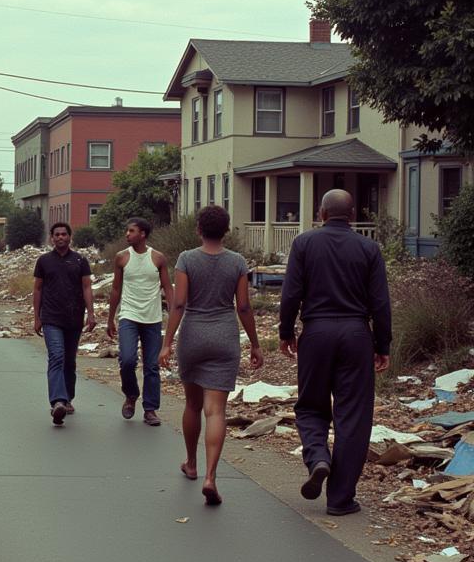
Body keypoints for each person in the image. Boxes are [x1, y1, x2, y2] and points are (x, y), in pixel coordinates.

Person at [278, 189, 391, 516]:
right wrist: (382, 345)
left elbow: (291, 294)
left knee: (311, 404)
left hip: (316, 333)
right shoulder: (369, 248)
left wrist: (286, 332)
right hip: (357, 334)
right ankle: (340, 499)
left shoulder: (304, 244)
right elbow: (381, 303)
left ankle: (317, 458)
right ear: (352, 215)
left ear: (321, 214)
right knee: (353, 416)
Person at [159, 206, 262, 506]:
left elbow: (179, 305)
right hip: (224, 337)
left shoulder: (187, 259)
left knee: (192, 405)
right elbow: (243, 306)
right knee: (215, 411)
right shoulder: (237, 262)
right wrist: (255, 343)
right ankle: (211, 477)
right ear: (226, 230)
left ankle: (191, 463)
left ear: (198, 230)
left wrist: (166, 343)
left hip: (193, 336)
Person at [106, 217, 174, 425]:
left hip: (152, 318)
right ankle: (131, 394)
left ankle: (150, 409)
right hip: (128, 315)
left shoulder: (158, 258)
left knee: (152, 366)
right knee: (127, 360)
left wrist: (173, 315)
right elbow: (116, 289)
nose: (127, 234)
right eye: (127, 231)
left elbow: (167, 288)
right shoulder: (122, 258)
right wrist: (110, 319)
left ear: (142, 234)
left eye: (131, 231)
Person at [33, 221, 96, 425]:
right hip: (51, 318)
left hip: (74, 318)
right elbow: (38, 289)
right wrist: (37, 317)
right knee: (57, 357)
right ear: (52, 238)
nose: (60, 237)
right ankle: (57, 402)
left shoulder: (79, 261)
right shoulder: (44, 261)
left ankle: (67, 397)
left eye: (64, 234)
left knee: (69, 361)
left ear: (70, 237)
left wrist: (92, 314)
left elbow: (86, 287)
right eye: (57, 234)